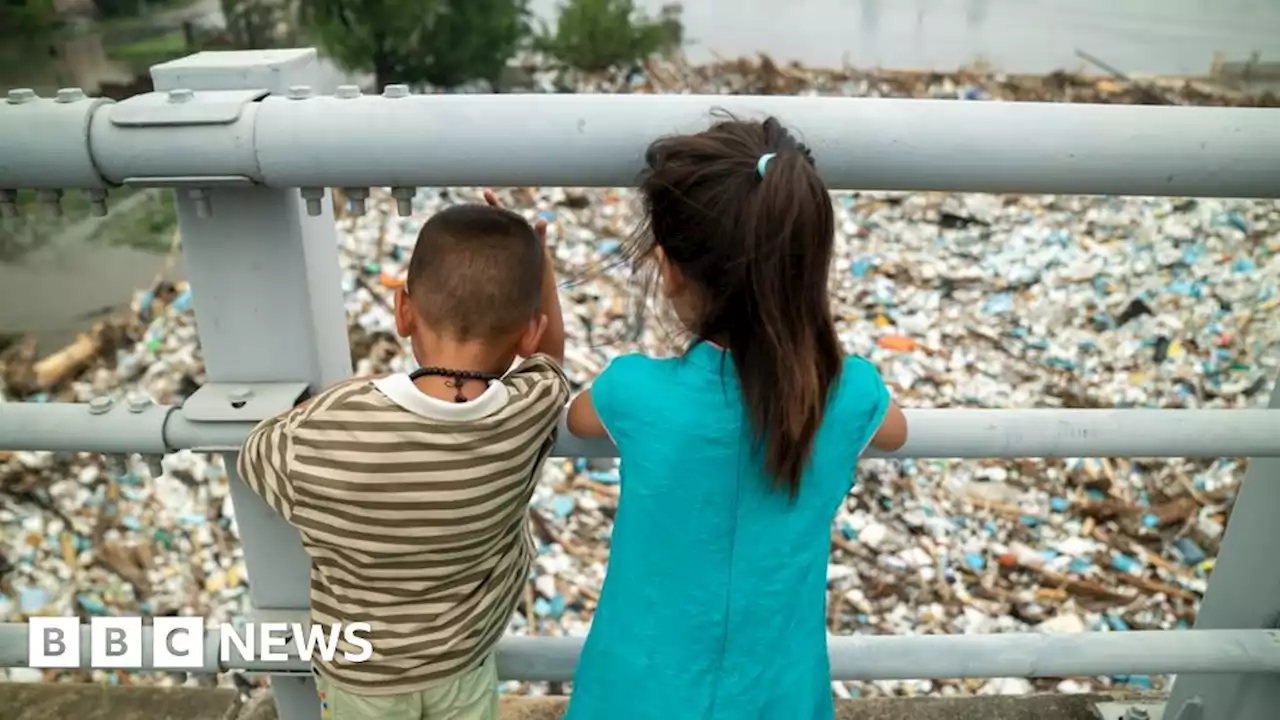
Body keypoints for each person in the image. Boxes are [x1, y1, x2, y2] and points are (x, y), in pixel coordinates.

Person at [563, 116, 908, 720]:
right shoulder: (846, 393)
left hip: (635, 696)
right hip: (782, 697)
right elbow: (894, 429)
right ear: (806, 270)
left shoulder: (634, 391)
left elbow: (575, 414)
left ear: (667, 271)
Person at [236, 192, 568, 720]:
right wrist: (541, 266)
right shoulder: (526, 415)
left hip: (358, 670)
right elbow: (551, 360)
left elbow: (256, 452)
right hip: (461, 661)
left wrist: (353, 394)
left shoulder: (328, 432)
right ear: (529, 330)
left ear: (403, 311)